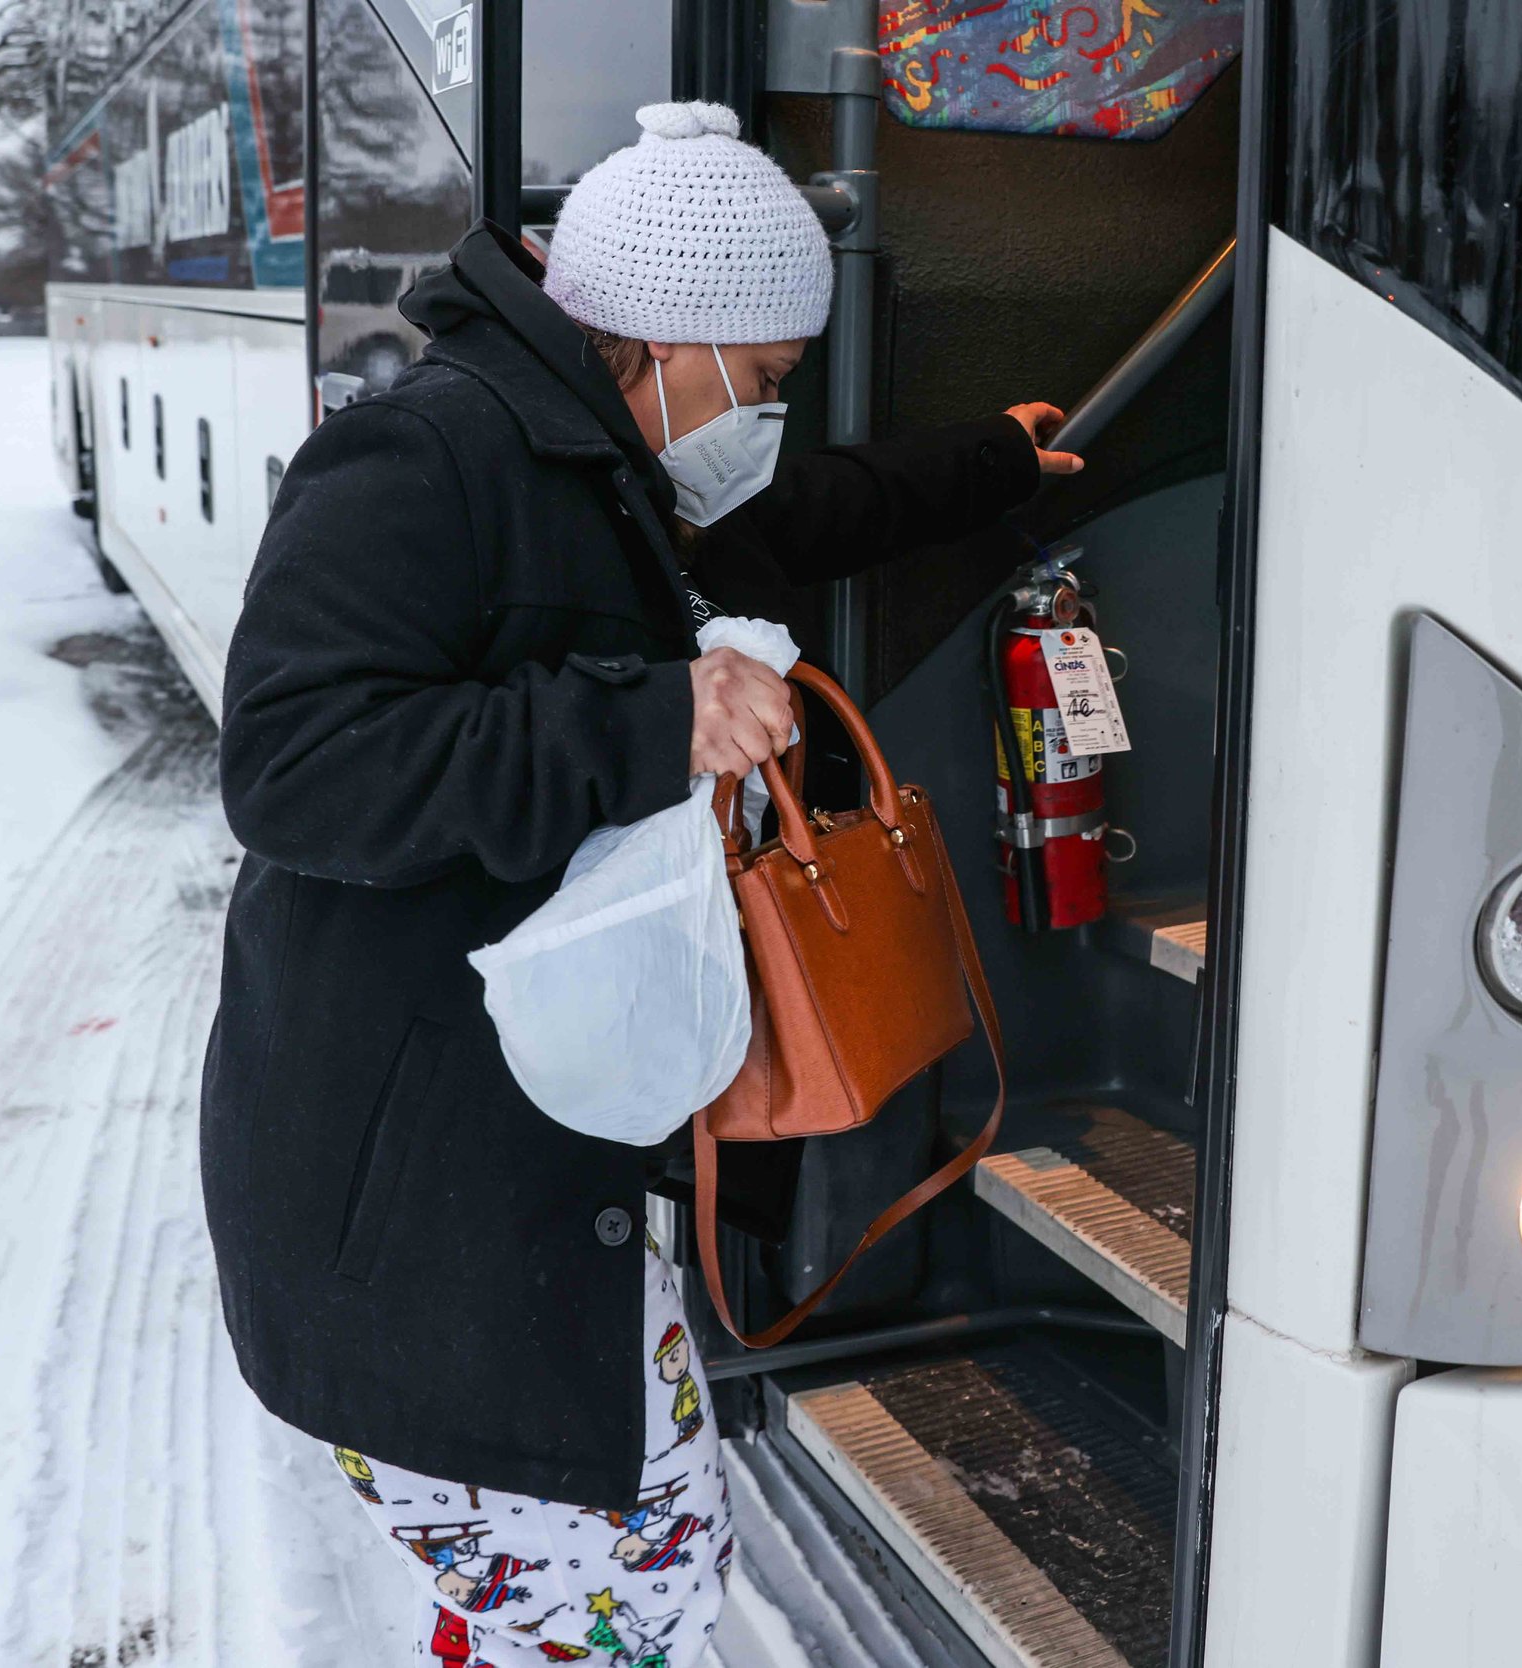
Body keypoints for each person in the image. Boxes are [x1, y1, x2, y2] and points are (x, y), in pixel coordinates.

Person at [201, 100, 1080, 1665]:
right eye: (765, 380)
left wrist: (993, 462)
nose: (770, 415)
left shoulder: (609, 456)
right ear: (673, 344)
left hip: (530, 1164)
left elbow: (800, 515)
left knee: (602, 1590)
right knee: (625, 1600)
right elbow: (292, 768)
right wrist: (645, 721)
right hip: (424, 1197)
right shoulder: (423, 455)